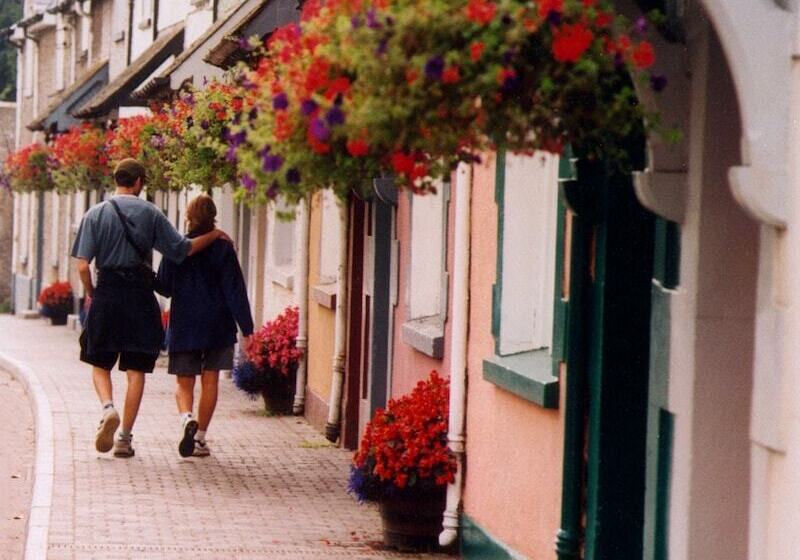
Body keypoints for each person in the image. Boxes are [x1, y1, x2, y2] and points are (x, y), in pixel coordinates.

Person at [72, 159, 230, 458]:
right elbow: (182, 250)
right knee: (136, 370)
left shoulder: (95, 214)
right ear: (139, 182)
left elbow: (82, 266)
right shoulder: (151, 213)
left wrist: (93, 293)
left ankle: (108, 408)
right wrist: (215, 235)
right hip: (139, 296)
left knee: (99, 362)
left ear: (117, 180)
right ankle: (125, 438)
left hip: (107, 292)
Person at [157, 194, 254, 458]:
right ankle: (200, 438)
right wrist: (247, 328)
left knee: (184, 381)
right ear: (213, 217)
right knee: (211, 380)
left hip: (185, 322)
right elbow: (235, 290)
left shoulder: (176, 247)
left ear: (188, 217)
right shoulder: (223, 248)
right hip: (217, 323)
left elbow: (163, 287)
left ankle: (187, 418)